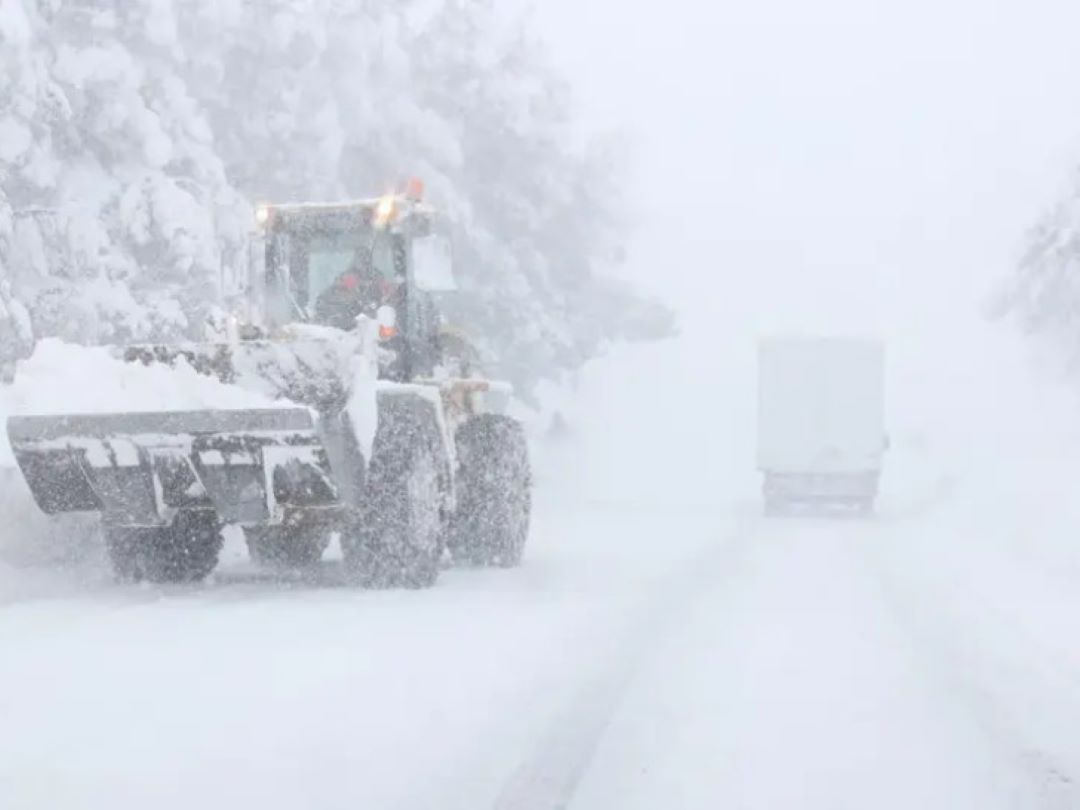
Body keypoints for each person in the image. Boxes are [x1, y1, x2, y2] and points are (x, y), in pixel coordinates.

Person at [0, 281, 33, 384]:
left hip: (10, 351)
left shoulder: (16, 308)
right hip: (7, 350)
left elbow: (24, 330)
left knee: (9, 379)